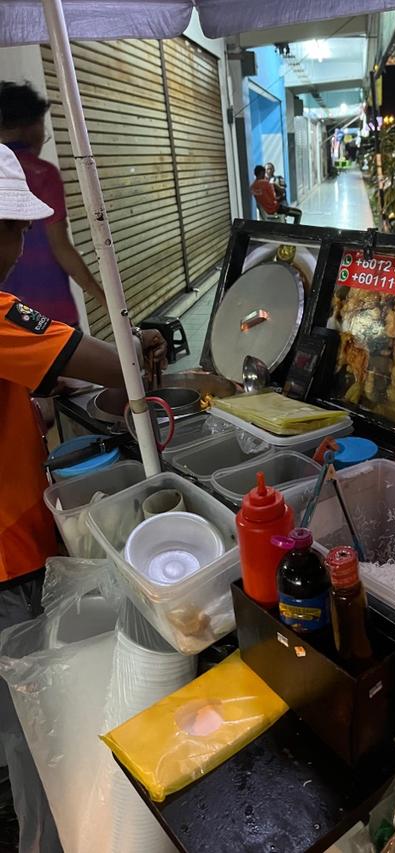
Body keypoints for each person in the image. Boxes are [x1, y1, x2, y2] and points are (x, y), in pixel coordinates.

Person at [0, 143, 166, 852]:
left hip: (16, 533)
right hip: (7, 560)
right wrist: (141, 342)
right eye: (16, 227)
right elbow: (102, 363)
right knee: (33, 726)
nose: (24, 241)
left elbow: (46, 375)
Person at [0, 81, 108, 326]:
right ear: (31, 126)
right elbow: (61, 247)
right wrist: (105, 299)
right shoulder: (41, 173)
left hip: (8, 315)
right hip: (50, 311)